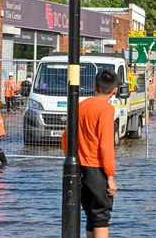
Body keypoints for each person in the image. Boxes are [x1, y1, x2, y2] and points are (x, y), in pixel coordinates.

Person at [61, 69, 119, 238]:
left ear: (94, 87)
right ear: (114, 90)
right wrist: (110, 177)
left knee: (90, 215)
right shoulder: (106, 110)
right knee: (101, 216)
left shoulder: (81, 106)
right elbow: (105, 145)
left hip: (79, 168)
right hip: (97, 169)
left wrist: (73, 160)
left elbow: (65, 139)